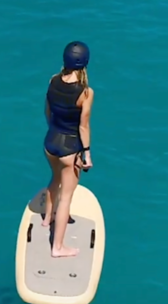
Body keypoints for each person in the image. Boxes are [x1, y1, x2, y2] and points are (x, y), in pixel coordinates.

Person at [41, 41, 94, 258]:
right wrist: (87, 154)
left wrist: (55, 130)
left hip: (50, 143)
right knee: (66, 197)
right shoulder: (86, 92)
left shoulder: (52, 81)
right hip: (69, 149)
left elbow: (47, 112)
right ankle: (58, 247)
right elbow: (83, 125)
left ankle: (46, 219)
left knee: (54, 180)